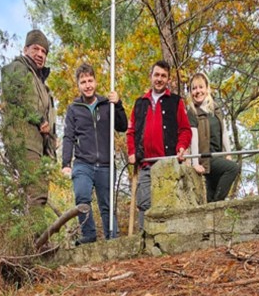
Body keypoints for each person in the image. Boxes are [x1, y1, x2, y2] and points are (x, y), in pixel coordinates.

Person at [62, 63, 128, 243]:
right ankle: (89, 234)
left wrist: (118, 104)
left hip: (106, 164)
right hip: (83, 162)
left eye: (90, 80)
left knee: (107, 204)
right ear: (78, 85)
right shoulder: (74, 108)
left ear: (96, 82)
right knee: (82, 196)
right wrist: (66, 163)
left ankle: (112, 238)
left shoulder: (107, 104)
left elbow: (122, 126)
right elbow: (68, 136)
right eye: (83, 82)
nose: (87, 85)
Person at [1, 29, 57, 227]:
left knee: (38, 192)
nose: (40, 54)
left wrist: (52, 145)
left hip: (38, 145)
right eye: (35, 49)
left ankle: (32, 238)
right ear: (25, 49)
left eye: (44, 51)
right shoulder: (17, 68)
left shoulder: (42, 83)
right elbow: (15, 96)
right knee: (36, 190)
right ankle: (39, 237)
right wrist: (39, 119)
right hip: (23, 139)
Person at [127, 60, 192, 226]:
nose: (159, 79)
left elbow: (185, 130)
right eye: (156, 75)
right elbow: (131, 131)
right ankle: (144, 238)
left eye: (163, 76)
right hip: (145, 164)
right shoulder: (140, 103)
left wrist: (181, 147)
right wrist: (132, 151)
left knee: (168, 206)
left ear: (168, 79)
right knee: (144, 204)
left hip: (168, 163)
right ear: (151, 76)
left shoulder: (176, 102)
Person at [187, 72, 239, 202]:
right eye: (194, 88)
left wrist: (228, 153)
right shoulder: (192, 112)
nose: (197, 91)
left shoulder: (216, 109)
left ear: (207, 89)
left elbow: (224, 132)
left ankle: (214, 207)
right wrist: (195, 163)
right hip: (206, 158)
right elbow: (193, 139)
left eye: (201, 87)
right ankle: (217, 204)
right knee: (233, 168)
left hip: (218, 155)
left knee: (211, 196)